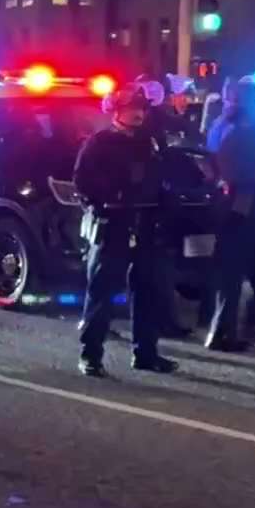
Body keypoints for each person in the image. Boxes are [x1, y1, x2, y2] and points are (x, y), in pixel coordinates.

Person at [73, 83, 178, 377]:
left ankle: (146, 353)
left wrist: (164, 204)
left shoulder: (150, 143)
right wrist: (110, 199)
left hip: (145, 225)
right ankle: (90, 355)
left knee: (147, 292)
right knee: (101, 294)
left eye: (142, 109)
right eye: (132, 108)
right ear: (116, 111)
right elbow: (83, 183)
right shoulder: (99, 143)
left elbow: (160, 180)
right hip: (113, 226)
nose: (138, 114)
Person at [204, 79, 255, 351]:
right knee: (235, 275)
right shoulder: (238, 133)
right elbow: (240, 175)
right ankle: (223, 333)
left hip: (240, 209)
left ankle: (244, 327)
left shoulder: (227, 128)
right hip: (240, 210)